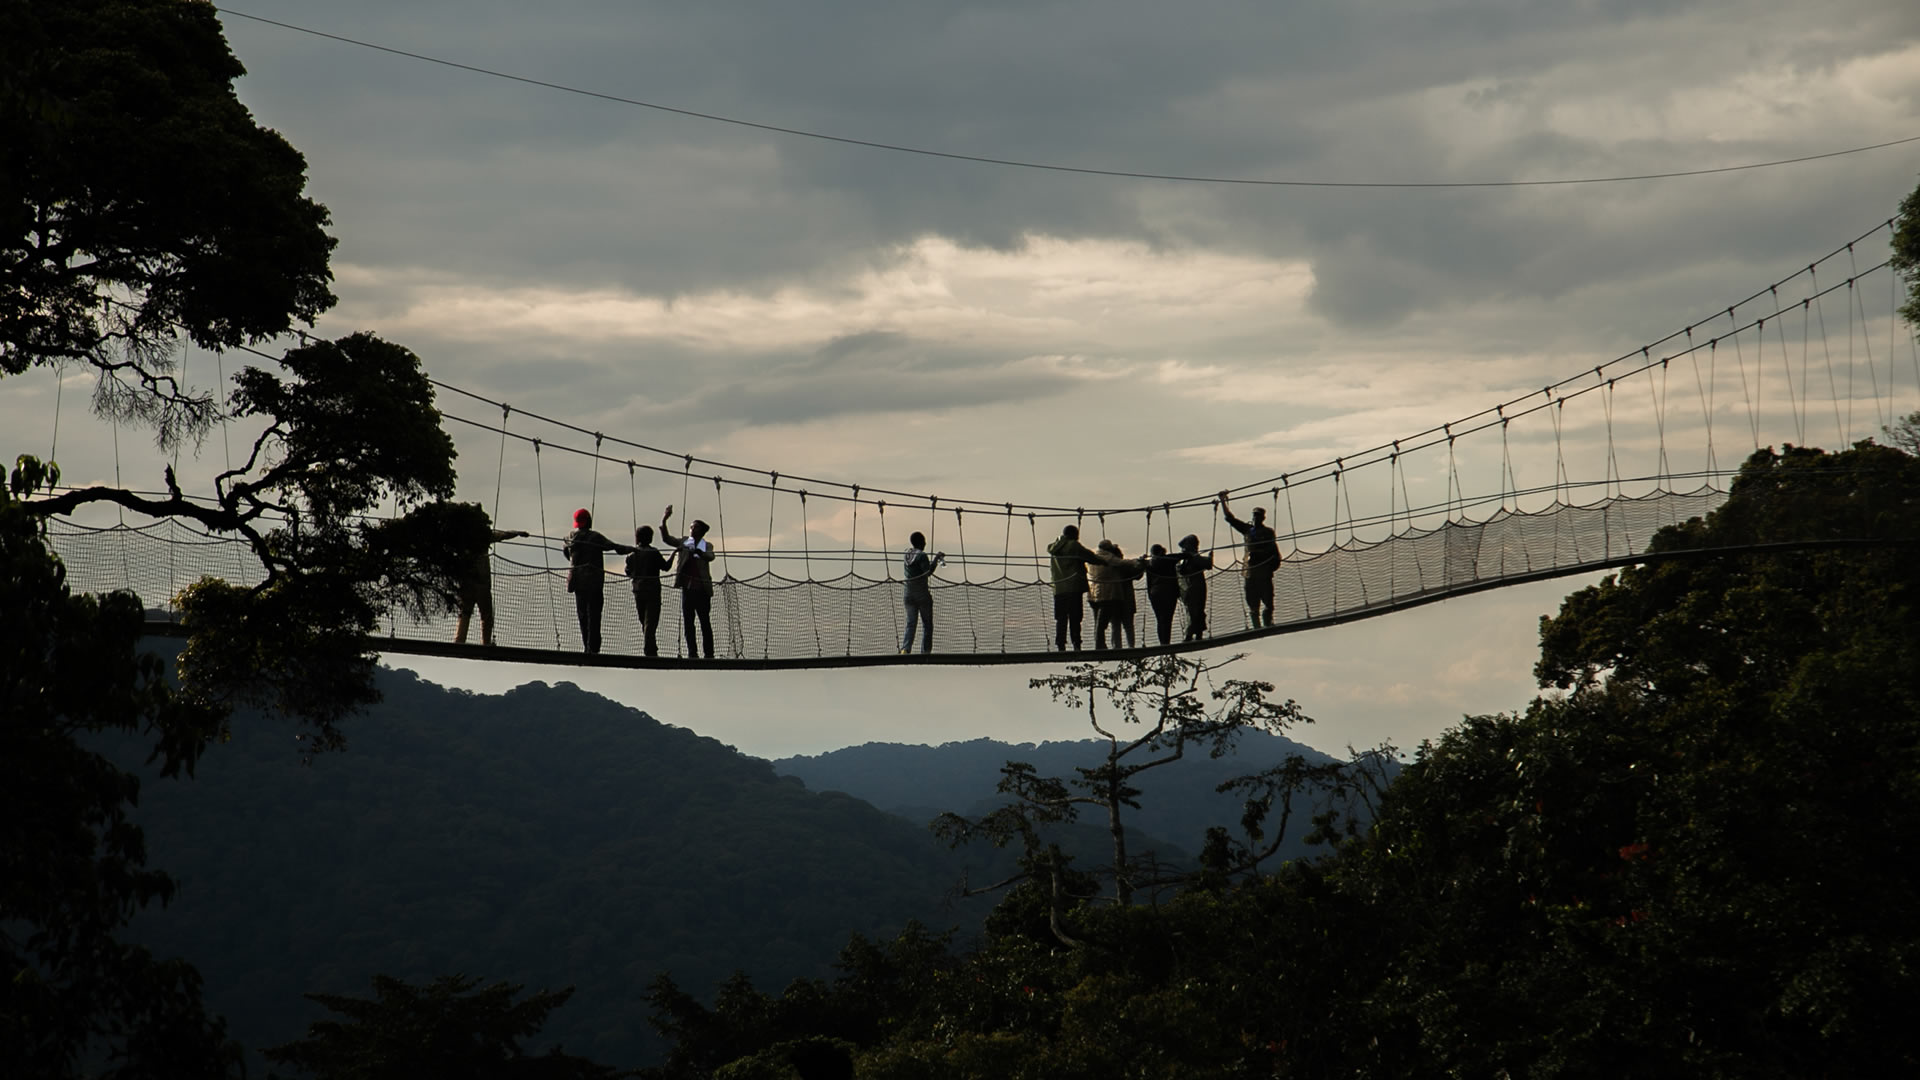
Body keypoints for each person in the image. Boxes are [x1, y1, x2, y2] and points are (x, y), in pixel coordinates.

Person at [453, 511, 529, 646]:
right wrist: (518, 533)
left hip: (466, 584)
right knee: (486, 616)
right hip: (482, 584)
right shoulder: (483, 536)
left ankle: (459, 641)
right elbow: (503, 535)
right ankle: (486, 643)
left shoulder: (462, 538)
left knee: (464, 614)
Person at [564, 508, 633, 655]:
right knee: (594, 616)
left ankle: (586, 647)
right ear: (589, 521)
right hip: (594, 583)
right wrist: (633, 549)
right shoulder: (595, 538)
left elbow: (566, 552)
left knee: (582, 616)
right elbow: (615, 547)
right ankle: (593, 649)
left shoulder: (570, 537)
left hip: (578, 583)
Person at [1047, 523, 1119, 651]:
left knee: (1061, 618)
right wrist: (1105, 561)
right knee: (1075, 617)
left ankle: (1060, 645)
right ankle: (1076, 644)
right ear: (1074, 535)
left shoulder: (1054, 548)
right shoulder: (1073, 545)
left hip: (1058, 589)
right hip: (1074, 587)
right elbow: (1090, 557)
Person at [661, 504, 716, 659]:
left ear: (701, 531)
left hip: (701, 590)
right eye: (691, 527)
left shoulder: (706, 545)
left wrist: (701, 553)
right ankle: (693, 653)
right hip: (687, 588)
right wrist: (664, 520)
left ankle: (708, 653)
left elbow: (711, 556)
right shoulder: (684, 542)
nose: (691, 529)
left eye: (694, 527)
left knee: (705, 622)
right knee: (688, 623)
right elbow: (667, 538)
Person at [1219, 491, 1281, 628]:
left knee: (1268, 602)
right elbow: (1230, 519)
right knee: (1252, 603)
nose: (1256, 518)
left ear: (1263, 518)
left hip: (1263, 571)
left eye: (1258, 516)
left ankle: (1267, 623)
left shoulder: (1268, 532)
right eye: (1254, 515)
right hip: (1251, 572)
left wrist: (1273, 564)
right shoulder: (1247, 530)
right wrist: (1223, 502)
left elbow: (1274, 550)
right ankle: (1256, 627)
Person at [625, 524, 675, 657]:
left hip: (638, 590)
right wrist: (674, 554)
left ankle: (651, 648)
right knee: (651, 622)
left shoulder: (631, 555)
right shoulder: (654, 553)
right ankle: (650, 650)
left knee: (644, 621)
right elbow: (666, 567)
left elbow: (628, 572)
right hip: (653, 591)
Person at [1087, 539, 1145, 650]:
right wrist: (1140, 564)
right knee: (1128, 626)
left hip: (1098, 596)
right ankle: (1130, 647)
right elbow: (1136, 574)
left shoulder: (1092, 560)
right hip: (1116, 598)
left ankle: (1116, 647)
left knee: (1113, 625)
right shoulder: (1114, 563)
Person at [899, 531, 946, 655]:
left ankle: (905, 649)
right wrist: (936, 558)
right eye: (924, 541)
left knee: (911, 623)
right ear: (920, 542)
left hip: (908, 594)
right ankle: (925, 651)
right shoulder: (922, 556)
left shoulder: (906, 554)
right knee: (927, 624)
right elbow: (928, 572)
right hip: (922, 595)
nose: (925, 543)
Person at [1175, 533, 1215, 642]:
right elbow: (1208, 564)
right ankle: (1192, 634)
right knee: (1196, 611)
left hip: (1186, 589)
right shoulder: (1193, 557)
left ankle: (1195, 633)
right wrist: (1211, 557)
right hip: (1196, 587)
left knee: (1193, 611)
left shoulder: (1181, 559)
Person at [1143, 542, 1182, 647]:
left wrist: (1150, 595)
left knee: (1159, 619)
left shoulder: (1149, 564)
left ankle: (1162, 643)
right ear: (1162, 551)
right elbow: (1182, 556)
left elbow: (1148, 582)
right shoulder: (1168, 560)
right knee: (1168, 619)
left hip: (1155, 593)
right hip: (1169, 592)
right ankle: (1166, 642)